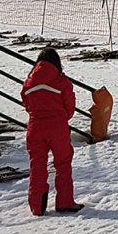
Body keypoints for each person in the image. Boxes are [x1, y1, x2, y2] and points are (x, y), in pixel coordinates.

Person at [21, 46, 80, 216]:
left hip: (34, 126)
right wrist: (61, 117)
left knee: (37, 165)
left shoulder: (29, 81)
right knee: (62, 163)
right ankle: (64, 202)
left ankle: (37, 205)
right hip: (57, 127)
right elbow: (69, 106)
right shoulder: (61, 81)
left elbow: (26, 103)